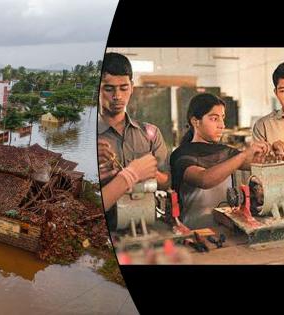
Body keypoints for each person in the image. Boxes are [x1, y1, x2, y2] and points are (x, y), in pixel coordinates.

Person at [170, 93, 270, 229]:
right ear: (195, 121)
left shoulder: (225, 151)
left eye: (222, 118)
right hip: (195, 232)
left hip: (227, 230)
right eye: (214, 119)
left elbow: (258, 164)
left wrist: (273, 152)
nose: (222, 125)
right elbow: (204, 179)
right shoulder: (182, 155)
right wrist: (243, 155)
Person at [98, 52, 170, 230]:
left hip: (144, 226)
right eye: (108, 88)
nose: (117, 96)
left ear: (132, 88)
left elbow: (168, 182)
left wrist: (149, 171)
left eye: (123, 88)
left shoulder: (150, 133)